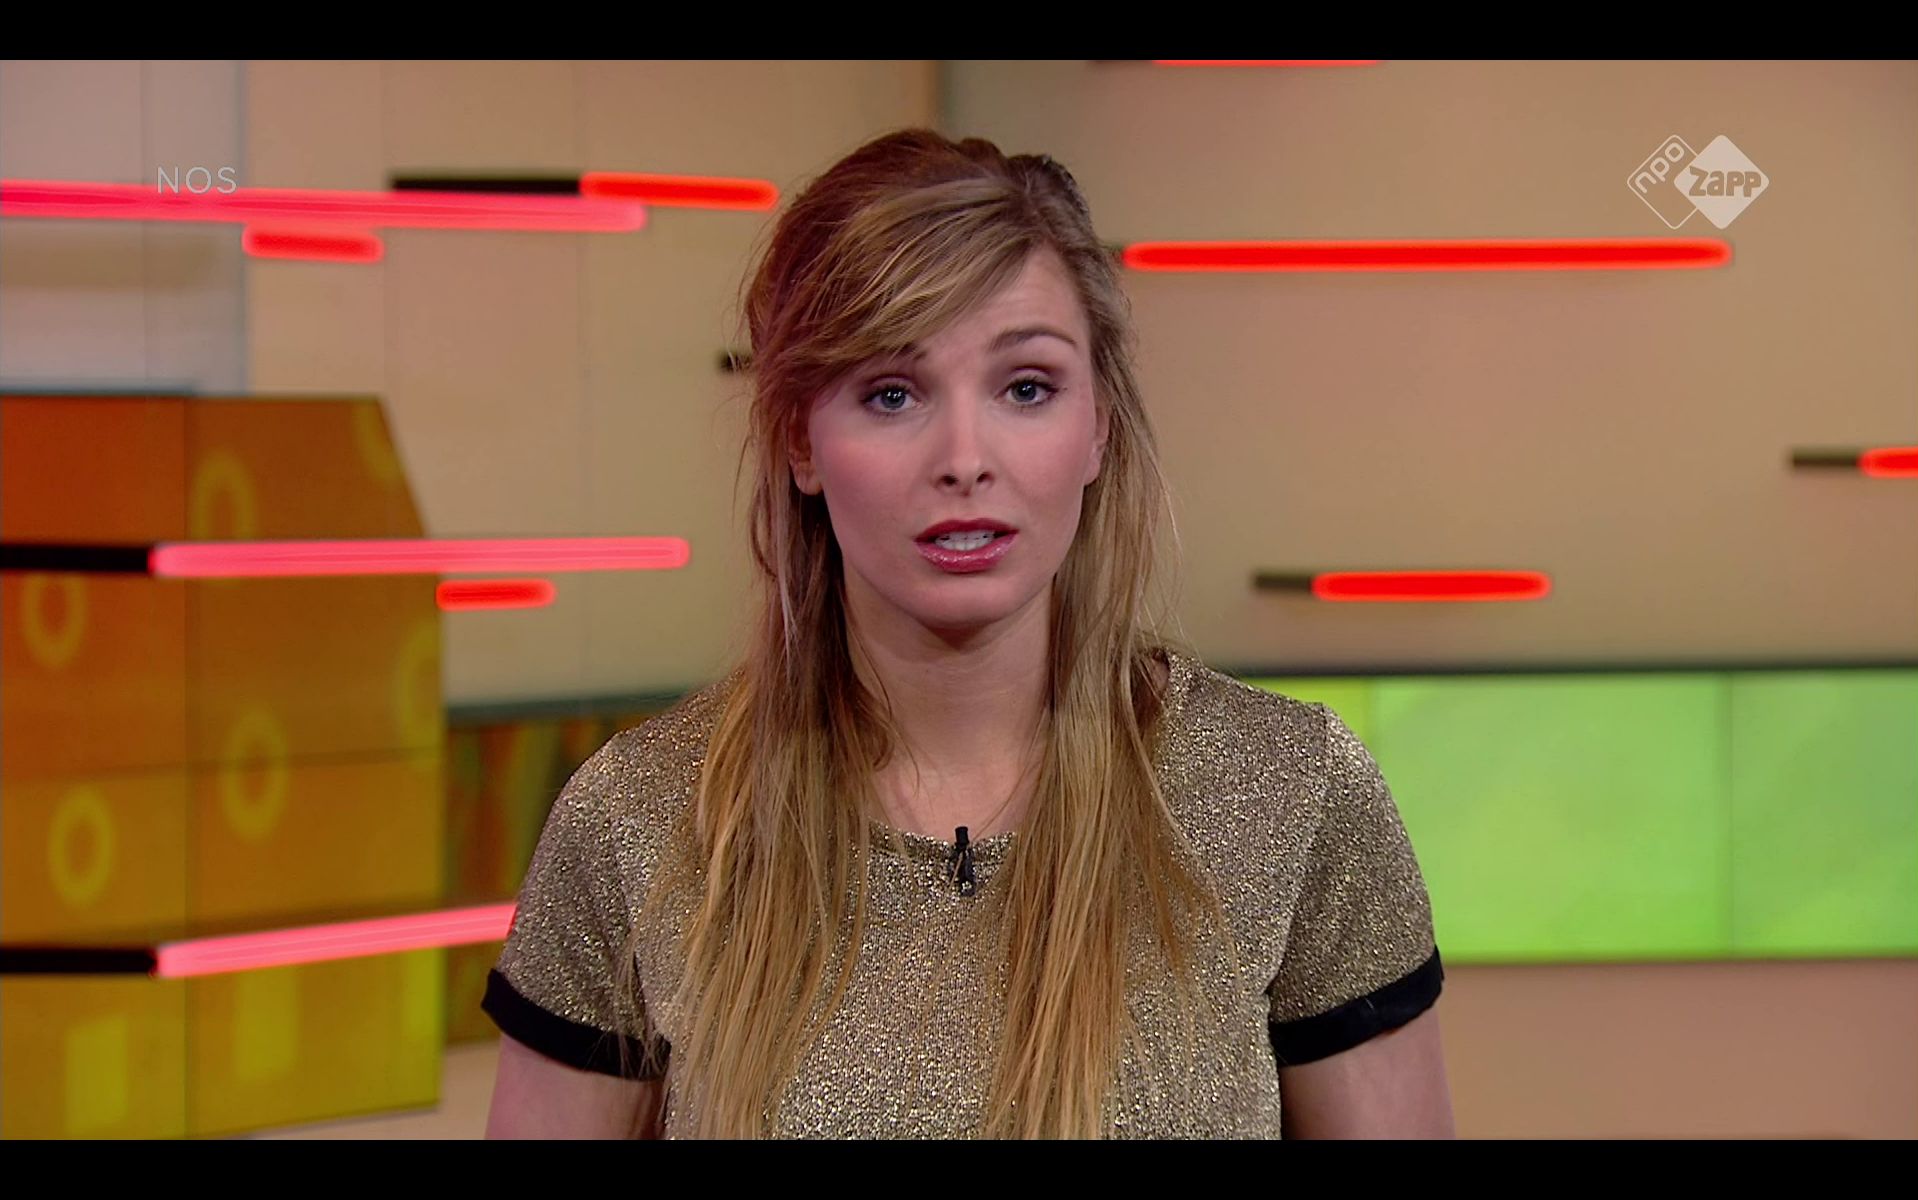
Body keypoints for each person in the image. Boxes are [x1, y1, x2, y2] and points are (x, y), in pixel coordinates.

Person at [481, 128, 1453, 1139]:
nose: (963, 458)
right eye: (892, 394)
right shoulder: (637, 822)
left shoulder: (1293, 794)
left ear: (1098, 424)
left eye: (1025, 388)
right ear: (801, 442)